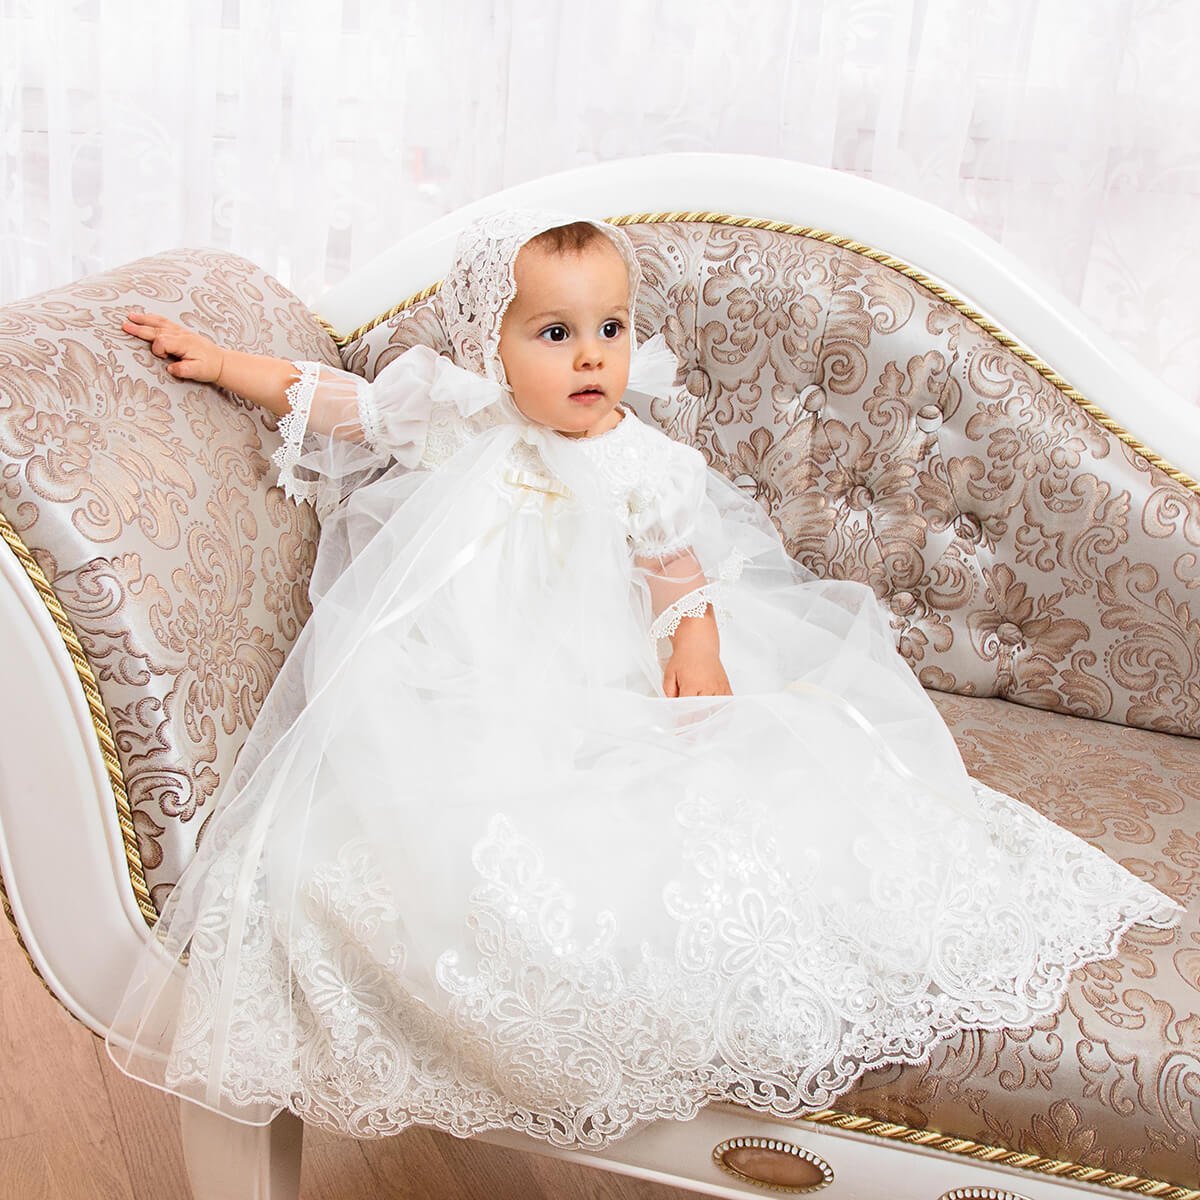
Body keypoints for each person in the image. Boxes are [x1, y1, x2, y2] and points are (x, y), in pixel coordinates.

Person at [106, 210, 1182, 1148]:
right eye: (556, 332)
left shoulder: (640, 462)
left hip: (594, 675)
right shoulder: (457, 415)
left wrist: (696, 660)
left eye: (610, 330)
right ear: (493, 345)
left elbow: (680, 579)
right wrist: (217, 360)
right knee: (382, 823)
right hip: (459, 673)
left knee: (683, 795)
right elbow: (329, 398)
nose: (591, 359)